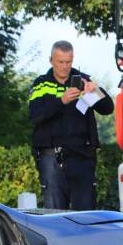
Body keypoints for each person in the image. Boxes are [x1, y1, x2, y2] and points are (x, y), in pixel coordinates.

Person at [29, 40, 113, 210]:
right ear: (51, 60)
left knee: (85, 213)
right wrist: (62, 100)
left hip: (82, 156)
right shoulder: (41, 84)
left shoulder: (82, 81)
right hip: (52, 157)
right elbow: (35, 115)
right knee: (54, 212)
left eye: (69, 61)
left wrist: (95, 92)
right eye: (60, 62)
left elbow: (107, 109)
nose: (65, 66)